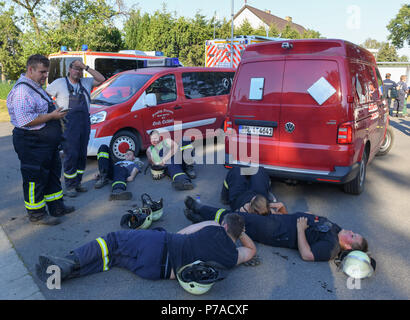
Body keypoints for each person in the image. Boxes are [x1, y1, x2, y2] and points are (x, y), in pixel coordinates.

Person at [35, 213, 256, 283]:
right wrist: (240, 233)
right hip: (155, 272)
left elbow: (182, 234)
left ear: (224, 225)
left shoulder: (213, 227)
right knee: (112, 259)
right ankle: (64, 273)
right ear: (237, 235)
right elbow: (251, 251)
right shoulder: (232, 257)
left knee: (112, 242)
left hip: (159, 246)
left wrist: (228, 225)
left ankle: (71, 261)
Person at [184, 197, 368, 262]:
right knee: (243, 215)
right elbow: (313, 218)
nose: (351, 231)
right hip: (281, 219)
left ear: (349, 247)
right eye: (354, 232)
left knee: (239, 219)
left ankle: (200, 210)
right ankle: (201, 217)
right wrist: (286, 212)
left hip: (277, 232)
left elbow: (307, 255)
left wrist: (300, 229)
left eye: (353, 236)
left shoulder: (331, 247)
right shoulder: (336, 229)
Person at [7, 54, 75, 226]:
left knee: (52, 174)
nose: (46, 76)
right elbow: (25, 120)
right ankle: (37, 214)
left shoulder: (34, 86)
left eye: (47, 72)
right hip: (31, 142)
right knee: (34, 178)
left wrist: (55, 114)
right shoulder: (23, 90)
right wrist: (52, 116)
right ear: (30, 70)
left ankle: (56, 207)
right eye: (42, 72)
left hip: (45, 143)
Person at [46, 59, 105, 197]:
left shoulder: (86, 82)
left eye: (79, 69)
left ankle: (78, 183)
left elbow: (101, 79)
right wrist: (54, 112)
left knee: (81, 155)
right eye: (75, 68)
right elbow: (45, 97)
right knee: (71, 155)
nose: (77, 72)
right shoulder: (59, 83)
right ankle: (70, 186)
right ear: (69, 69)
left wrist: (86, 66)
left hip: (84, 123)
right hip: (68, 124)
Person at [221, 166, 287, 215]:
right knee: (259, 170)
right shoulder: (269, 214)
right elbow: (284, 218)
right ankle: (248, 175)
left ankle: (225, 198)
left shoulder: (243, 213)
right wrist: (281, 207)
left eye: (250, 204)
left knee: (236, 171)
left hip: (239, 197)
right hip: (260, 197)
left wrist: (240, 211)